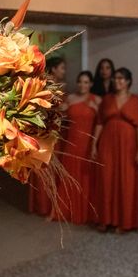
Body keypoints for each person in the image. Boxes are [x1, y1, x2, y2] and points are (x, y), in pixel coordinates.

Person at [91, 68, 138, 232]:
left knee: (126, 180)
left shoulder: (135, 100)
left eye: (121, 78)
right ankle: (105, 219)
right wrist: (94, 144)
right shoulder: (107, 99)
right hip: (108, 141)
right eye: (115, 78)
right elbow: (99, 122)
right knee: (106, 178)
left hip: (128, 144)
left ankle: (124, 221)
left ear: (128, 81)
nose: (117, 81)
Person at [53, 71, 100, 224]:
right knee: (69, 177)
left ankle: (85, 212)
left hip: (88, 142)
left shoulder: (96, 100)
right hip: (72, 142)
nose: (82, 85)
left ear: (91, 84)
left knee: (85, 178)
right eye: (80, 81)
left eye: (86, 82)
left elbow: (102, 122)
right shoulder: (71, 98)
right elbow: (58, 113)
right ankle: (64, 210)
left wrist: (96, 109)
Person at [29, 56, 66, 216]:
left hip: (56, 131)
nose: (64, 71)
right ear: (54, 69)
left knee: (51, 168)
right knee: (45, 166)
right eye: (62, 68)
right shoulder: (47, 86)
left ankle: (49, 206)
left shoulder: (58, 86)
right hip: (47, 132)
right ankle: (44, 206)